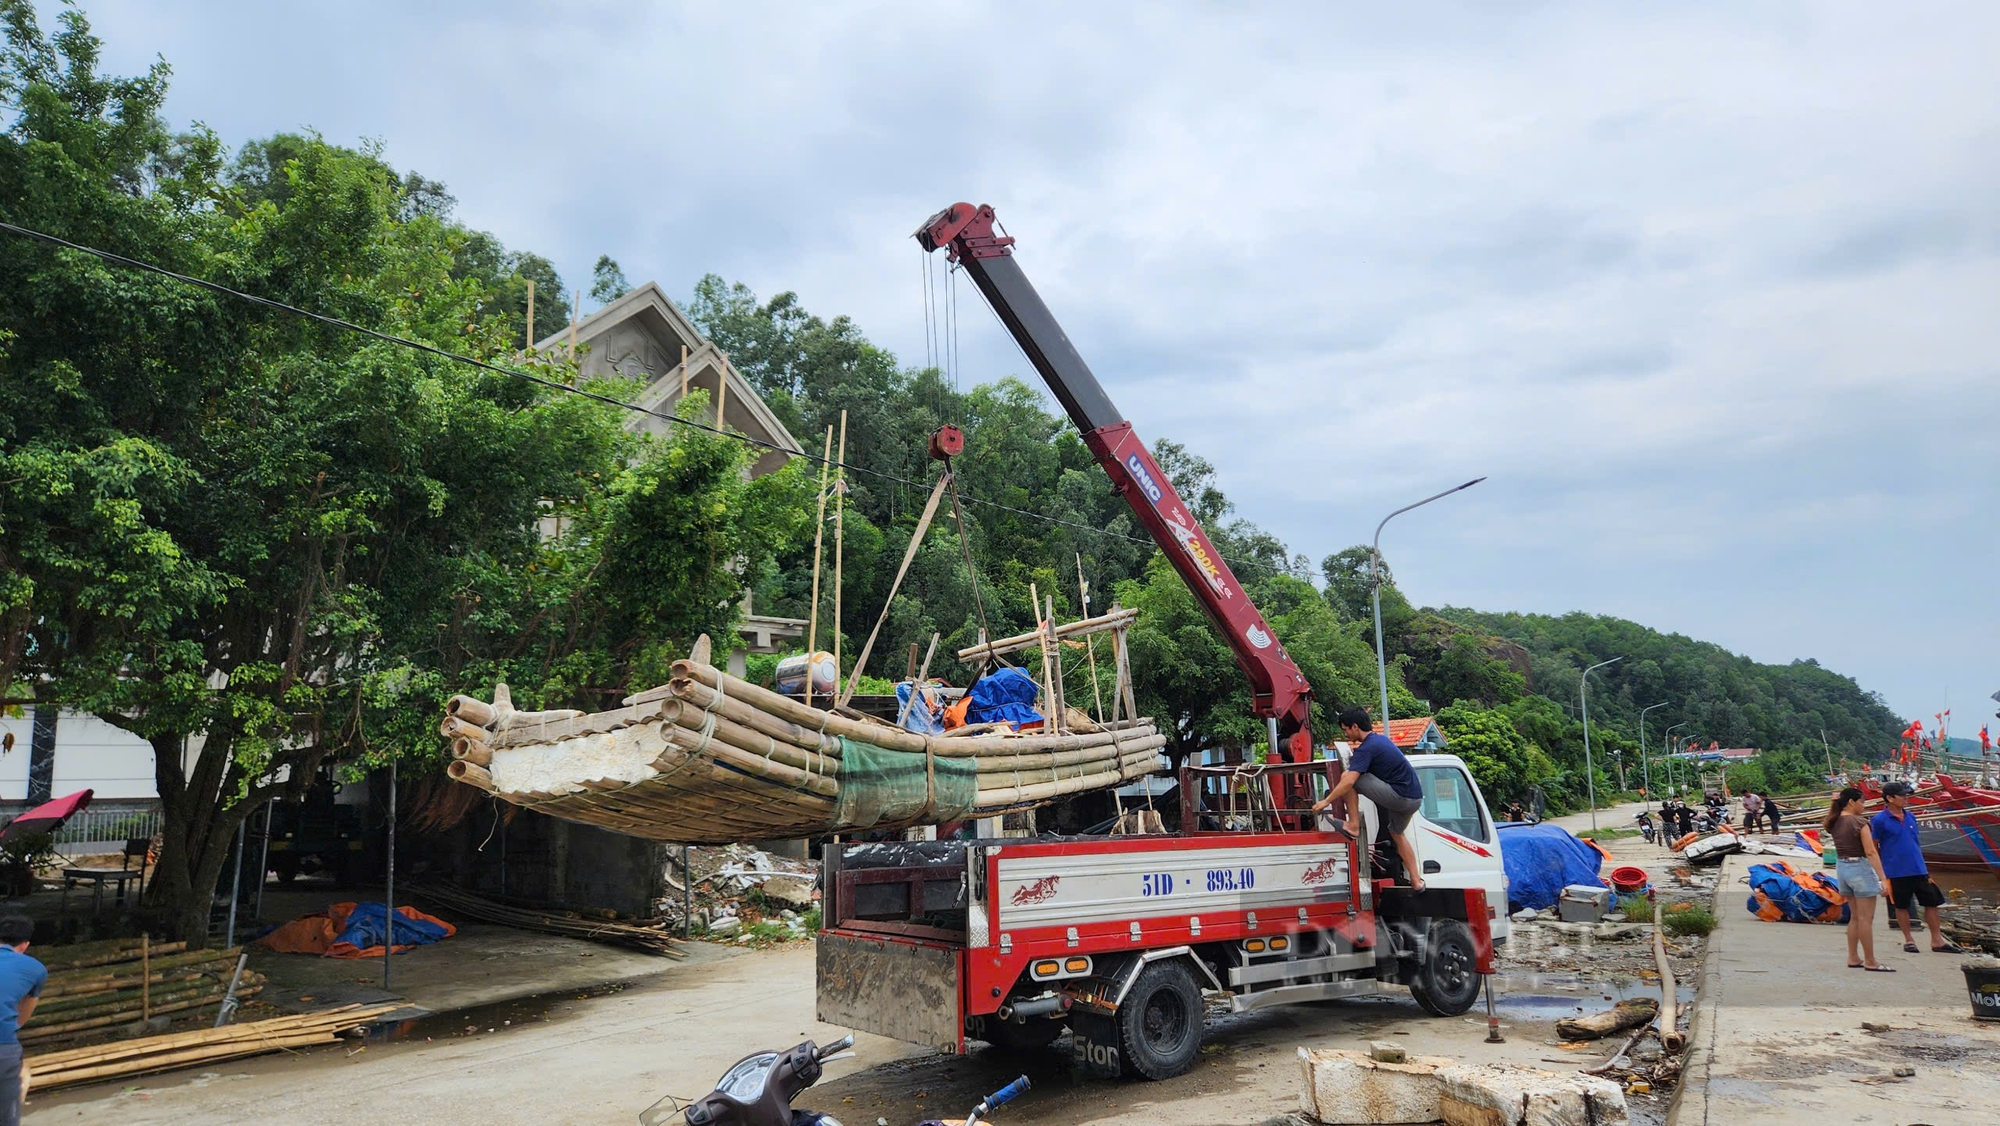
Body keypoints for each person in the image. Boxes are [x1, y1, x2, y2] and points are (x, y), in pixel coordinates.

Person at [1311, 707, 1427, 892]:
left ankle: (1353, 825)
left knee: (1349, 777)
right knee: (1396, 833)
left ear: (1355, 726)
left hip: (1400, 797)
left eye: (1346, 729)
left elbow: (1349, 781)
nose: (1346, 734)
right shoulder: (1380, 740)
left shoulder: (1367, 748)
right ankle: (1416, 880)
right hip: (1414, 799)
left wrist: (1326, 801)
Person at [1871, 782, 1963, 955]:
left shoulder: (1911, 817)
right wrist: (1881, 871)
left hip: (1919, 868)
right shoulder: (1879, 820)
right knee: (1901, 905)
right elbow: (1873, 846)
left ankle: (1937, 940)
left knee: (1932, 903)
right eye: (1902, 795)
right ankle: (1909, 940)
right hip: (1896, 870)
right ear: (1890, 798)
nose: (1906, 798)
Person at [1823, 787, 1892, 971]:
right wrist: (1883, 878)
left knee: (1854, 917)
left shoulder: (1834, 821)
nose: (1863, 806)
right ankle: (1870, 960)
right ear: (1852, 802)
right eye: (1862, 802)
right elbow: (1870, 851)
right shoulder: (1860, 822)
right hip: (1860, 869)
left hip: (1843, 869)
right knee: (1865, 919)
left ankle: (1853, 957)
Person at [0, 914, 42, 1126]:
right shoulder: (35, 969)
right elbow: (22, 1017)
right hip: (3, 1047)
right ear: (25, 945)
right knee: (6, 1115)